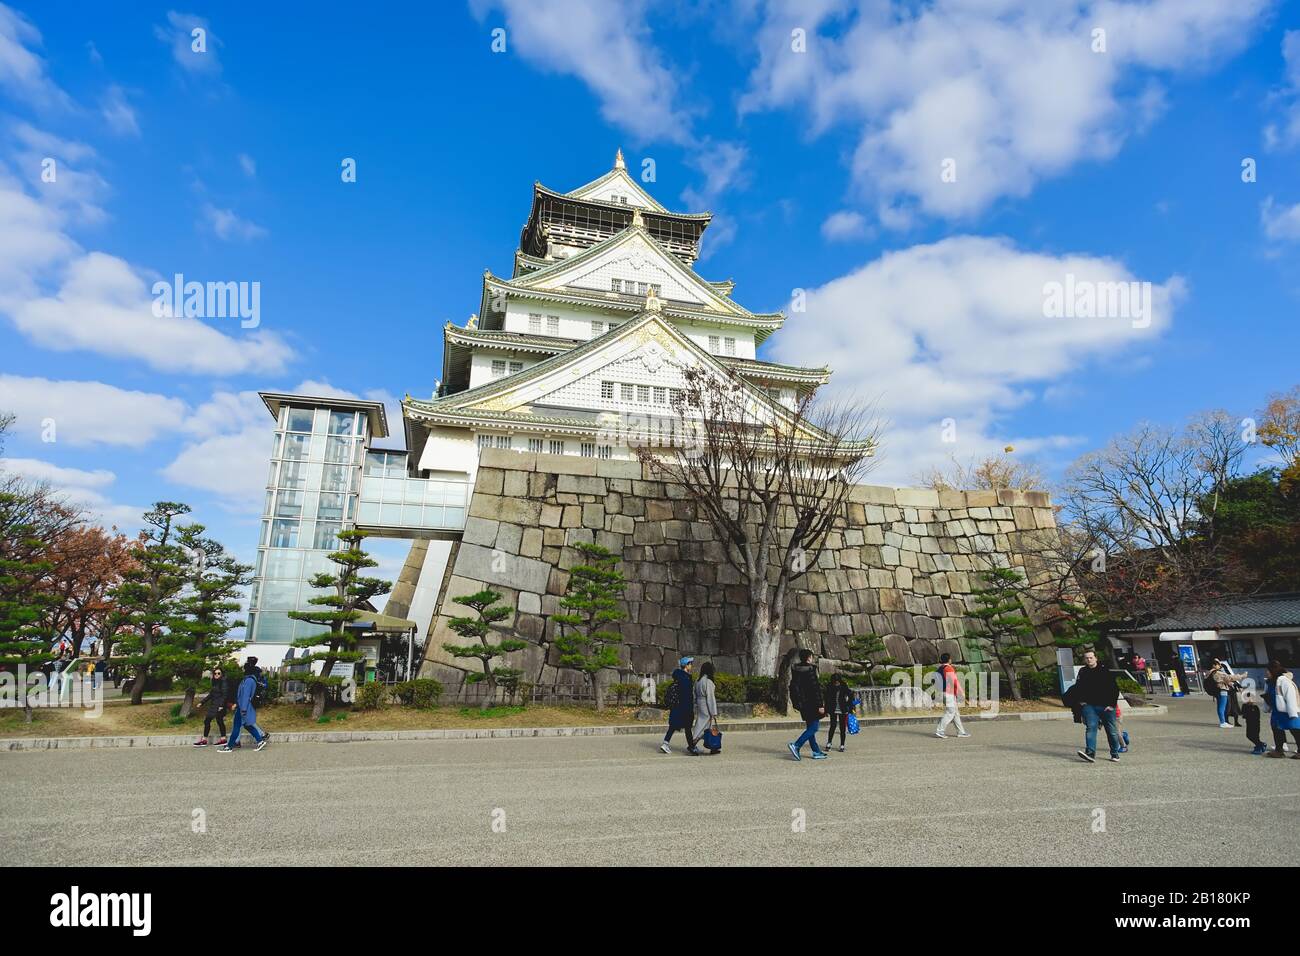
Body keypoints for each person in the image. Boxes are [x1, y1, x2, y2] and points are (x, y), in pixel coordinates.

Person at [1067, 649, 1122, 762]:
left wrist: (1111, 704)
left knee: (1111, 730)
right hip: (1090, 705)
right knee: (1091, 727)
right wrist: (1080, 701)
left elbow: (1114, 688)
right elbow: (1078, 687)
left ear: (1096, 658)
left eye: (1091, 657)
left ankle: (1114, 752)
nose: (1089, 660)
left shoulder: (1104, 670)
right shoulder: (1083, 671)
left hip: (1106, 706)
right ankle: (1090, 753)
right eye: (1087, 658)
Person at [218, 661, 268, 752]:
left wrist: (243, 709)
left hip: (243, 707)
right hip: (245, 707)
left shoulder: (248, 681)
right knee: (247, 725)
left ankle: (229, 746)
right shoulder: (250, 679)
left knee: (236, 726)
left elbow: (245, 696)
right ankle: (260, 741)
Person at [787, 649, 827, 760]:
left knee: (810, 728)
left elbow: (794, 687)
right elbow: (815, 689)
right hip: (812, 703)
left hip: (802, 703)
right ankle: (796, 745)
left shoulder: (796, 670)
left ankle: (816, 751)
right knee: (814, 728)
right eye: (811, 656)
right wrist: (820, 705)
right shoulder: (810, 670)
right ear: (809, 657)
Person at [660, 656, 699, 755]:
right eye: (690, 664)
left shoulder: (679, 676)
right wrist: (690, 709)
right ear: (686, 665)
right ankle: (691, 747)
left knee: (673, 726)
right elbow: (687, 696)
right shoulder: (685, 678)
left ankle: (665, 743)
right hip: (684, 707)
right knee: (687, 727)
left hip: (677, 707)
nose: (691, 666)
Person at [1263, 660, 1300, 759]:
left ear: (1273, 670)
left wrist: (1293, 712)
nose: (1266, 673)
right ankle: (1279, 750)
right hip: (1277, 711)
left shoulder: (1284, 681)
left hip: (1287, 710)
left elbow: (1290, 696)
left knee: (1295, 729)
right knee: (1276, 729)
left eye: (1268, 671)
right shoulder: (1270, 682)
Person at [932, 653, 970, 739]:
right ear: (949, 660)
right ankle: (940, 731)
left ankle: (961, 732)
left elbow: (934, 681)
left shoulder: (939, 669)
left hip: (942, 693)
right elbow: (954, 681)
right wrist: (961, 692)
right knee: (950, 712)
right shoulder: (948, 668)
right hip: (949, 694)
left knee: (955, 712)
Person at [194, 666, 230, 747]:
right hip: (214, 705)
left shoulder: (223, 682)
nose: (216, 675)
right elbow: (210, 695)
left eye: (218, 673)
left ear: (221, 674)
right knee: (208, 721)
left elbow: (225, 695)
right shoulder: (215, 682)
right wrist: (201, 702)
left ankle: (223, 739)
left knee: (219, 721)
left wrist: (221, 705)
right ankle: (204, 740)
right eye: (215, 673)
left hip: (220, 705)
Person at [692, 661, 721, 755]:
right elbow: (710, 697)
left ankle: (712, 747)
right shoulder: (708, 682)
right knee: (706, 725)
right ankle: (694, 741)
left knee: (702, 723)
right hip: (706, 705)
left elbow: (694, 694)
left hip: (700, 704)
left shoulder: (698, 680)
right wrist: (713, 712)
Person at [824, 673, 853, 752]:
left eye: (837, 681)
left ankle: (842, 744)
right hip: (833, 709)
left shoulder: (844, 686)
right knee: (832, 726)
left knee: (842, 728)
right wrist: (826, 710)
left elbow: (851, 695)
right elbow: (826, 699)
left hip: (842, 709)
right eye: (835, 682)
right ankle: (829, 743)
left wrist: (849, 707)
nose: (836, 683)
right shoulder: (829, 686)